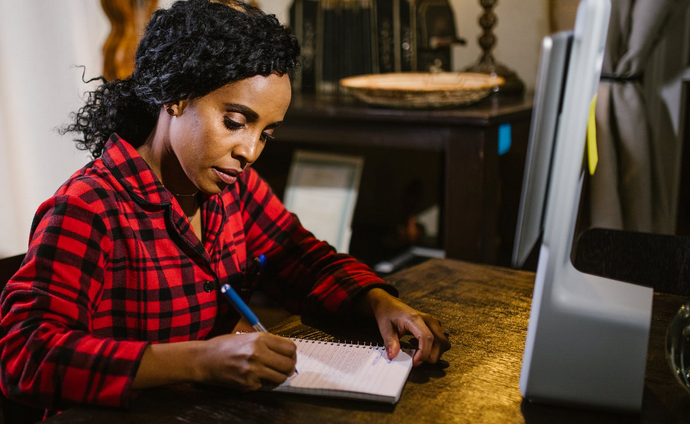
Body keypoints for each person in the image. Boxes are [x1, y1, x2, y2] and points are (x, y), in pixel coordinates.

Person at [0, 0, 450, 412]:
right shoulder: (89, 208)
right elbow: (25, 356)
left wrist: (377, 301)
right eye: (235, 122)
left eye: (266, 133)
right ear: (175, 95)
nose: (250, 151)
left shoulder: (232, 189)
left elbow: (298, 255)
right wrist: (199, 361)